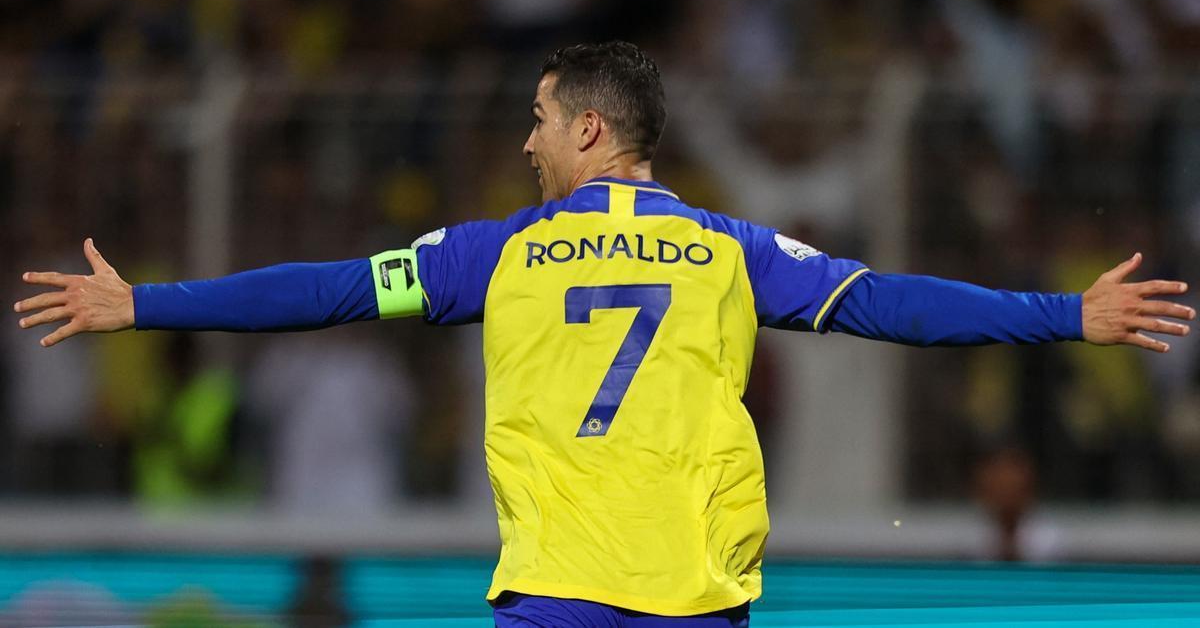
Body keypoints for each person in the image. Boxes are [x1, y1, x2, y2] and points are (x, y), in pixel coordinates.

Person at [12, 41, 1195, 627]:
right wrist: (1066, 314)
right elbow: (893, 304)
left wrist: (147, 304)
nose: (525, 143)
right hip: (699, 593)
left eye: (536, 121)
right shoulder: (734, 249)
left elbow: (323, 290)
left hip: (560, 590)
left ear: (586, 130)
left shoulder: (498, 253)